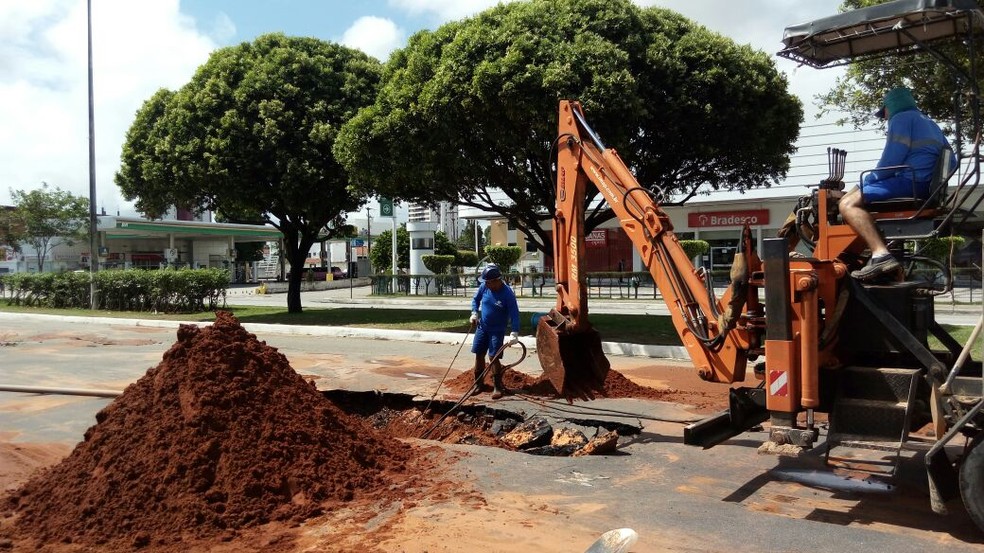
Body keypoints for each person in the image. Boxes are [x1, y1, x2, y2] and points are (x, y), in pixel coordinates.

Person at [838, 86, 956, 281]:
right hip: (926, 188)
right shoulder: (930, 123)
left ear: (890, 107)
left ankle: (880, 255)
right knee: (856, 196)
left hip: (909, 182)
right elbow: (952, 161)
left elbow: (891, 161)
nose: (884, 118)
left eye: (884, 112)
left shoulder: (900, 119)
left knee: (846, 204)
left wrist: (864, 182)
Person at [469, 264, 521, 399]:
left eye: (489, 282)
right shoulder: (484, 287)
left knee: (493, 357)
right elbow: (475, 300)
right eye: (486, 282)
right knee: (479, 354)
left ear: (496, 280)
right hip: (482, 327)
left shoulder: (507, 294)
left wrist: (514, 332)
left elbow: (514, 314)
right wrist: (474, 313)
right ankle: (478, 383)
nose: (487, 284)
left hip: (497, 330)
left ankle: (497, 386)